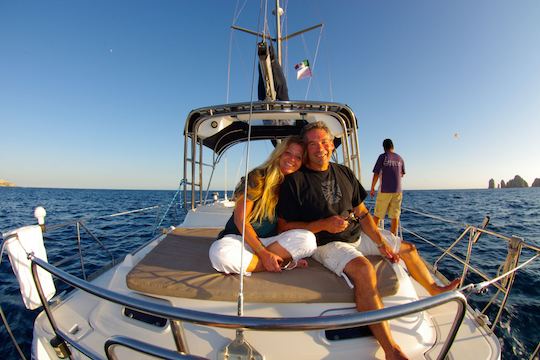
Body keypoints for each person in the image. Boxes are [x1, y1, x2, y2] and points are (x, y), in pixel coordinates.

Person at [277, 122, 460, 360]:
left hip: (356, 234)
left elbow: (362, 213)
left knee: (408, 249)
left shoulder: (344, 172)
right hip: (326, 243)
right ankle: (391, 350)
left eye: (323, 142)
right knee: (364, 271)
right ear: (306, 147)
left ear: (332, 145)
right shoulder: (296, 182)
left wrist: (382, 243)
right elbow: (284, 227)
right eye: (312, 143)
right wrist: (323, 224)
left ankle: (434, 289)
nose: (319, 148)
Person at [209, 136, 317, 275]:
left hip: (270, 242)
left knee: (308, 240)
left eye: (298, 157)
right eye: (288, 153)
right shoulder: (257, 177)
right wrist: (264, 254)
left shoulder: (294, 187)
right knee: (220, 254)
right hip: (240, 239)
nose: (292, 159)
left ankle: (256, 263)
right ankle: (281, 263)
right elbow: (240, 220)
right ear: (279, 154)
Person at [370, 138, 405, 235]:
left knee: (377, 215)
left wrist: (372, 188)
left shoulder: (382, 156)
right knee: (395, 216)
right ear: (393, 146)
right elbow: (402, 174)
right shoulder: (400, 158)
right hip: (398, 191)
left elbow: (376, 173)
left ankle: (372, 236)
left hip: (384, 190)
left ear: (384, 148)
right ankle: (393, 238)